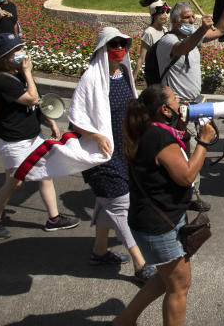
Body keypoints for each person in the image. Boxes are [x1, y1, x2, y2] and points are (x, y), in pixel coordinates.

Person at [112, 85, 216, 326]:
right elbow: (187, 175)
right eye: (174, 98)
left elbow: (175, 162)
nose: (180, 101)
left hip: (154, 218)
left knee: (165, 278)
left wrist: (183, 130)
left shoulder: (151, 130)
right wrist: (204, 141)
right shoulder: (159, 137)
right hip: (159, 225)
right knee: (179, 285)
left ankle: (124, 321)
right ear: (164, 109)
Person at [70, 28, 156, 283]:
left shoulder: (124, 74)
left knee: (107, 200)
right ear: (102, 49)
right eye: (113, 44)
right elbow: (75, 118)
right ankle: (140, 264)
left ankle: (99, 251)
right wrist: (96, 137)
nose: (119, 48)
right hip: (101, 154)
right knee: (121, 204)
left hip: (124, 151)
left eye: (123, 43)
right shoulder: (90, 78)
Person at [0, 34, 80, 239]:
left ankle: (53, 218)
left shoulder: (18, 74)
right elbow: (32, 98)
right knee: (14, 182)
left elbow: (37, 104)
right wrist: (28, 73)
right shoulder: (1, 79)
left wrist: (49, 121)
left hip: (32, 136)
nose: (21, 53)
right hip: (14, 141)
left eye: (21, 48)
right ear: (5, 57)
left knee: (46, 174)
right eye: (16, 51)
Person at [155, 0, 224, 212]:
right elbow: (184, 48)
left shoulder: (194, 37)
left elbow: (220, 30)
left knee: (195, 149)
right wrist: (201, 29)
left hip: (195, 105)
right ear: (175, 21)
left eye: (192, 18)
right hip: (178, 109)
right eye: (187, 18)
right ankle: (189, 196)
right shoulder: (168, 41)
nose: (191, 21)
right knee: (189, 153)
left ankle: (189, 193)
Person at [133, 1, 170, 79]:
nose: (165, 14)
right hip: (154, 73)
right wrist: (133, 78)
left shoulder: (165, 30)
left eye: (167, 11)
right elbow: (142, 58)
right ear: (154, 15)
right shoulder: (149, 32)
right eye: (162, 12)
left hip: (165, 72)